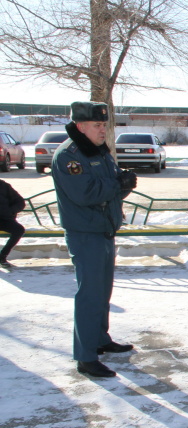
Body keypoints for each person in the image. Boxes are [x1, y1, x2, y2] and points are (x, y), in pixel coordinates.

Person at [51, 101, 137, 378]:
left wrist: (123, 184)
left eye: (104, 125)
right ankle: (85, 357)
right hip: (85, 233)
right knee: (89, 296)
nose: (103, 130)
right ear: (80, 127)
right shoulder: (70, 155)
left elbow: (108, 189)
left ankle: (100, 339)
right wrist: (116, 185)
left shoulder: (99, 151)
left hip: (104, 230)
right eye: (98, 125)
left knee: (102, 293)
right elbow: (85, 194)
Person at [0, 178, 25, 266]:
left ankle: (2, 255)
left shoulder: (4, 186)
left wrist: (10, 211)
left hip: (4, 219)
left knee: (19, 230)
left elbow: (20, 202)